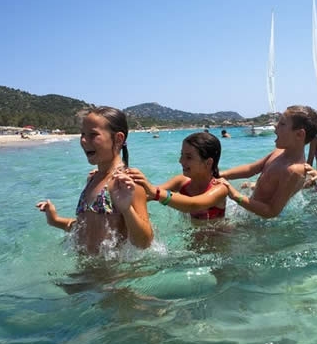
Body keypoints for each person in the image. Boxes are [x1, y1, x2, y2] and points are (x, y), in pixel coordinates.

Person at [36, 106, 153, 252]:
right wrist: (55, 220)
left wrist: (127, 209)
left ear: (118, 139)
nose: (84, 140)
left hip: (114, 268)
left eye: (93, 135)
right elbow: (88, 228)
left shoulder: (126, 183)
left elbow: (144, 243)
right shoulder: (93, 179)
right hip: (86, 266)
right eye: (82, 134)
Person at [219, 105, 317, 218]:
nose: (275, 126)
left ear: (299, 134)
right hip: (250, 210)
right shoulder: (278, 152)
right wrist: (221, 174)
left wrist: (235, 195)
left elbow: (272, 212)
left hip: (260, 222)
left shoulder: (294, 171)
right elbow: (250, 169)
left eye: (282, 124)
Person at [126, 132, 228, 220]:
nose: (181, 161)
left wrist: (155, 192)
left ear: (208, 163)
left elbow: (193, 205)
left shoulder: (220, 189)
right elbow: (147, 195)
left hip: (219, 236)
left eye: (188, 157)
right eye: (181, 155)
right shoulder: (181, 182)